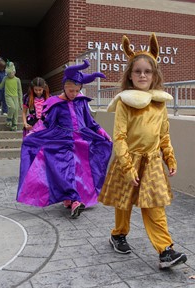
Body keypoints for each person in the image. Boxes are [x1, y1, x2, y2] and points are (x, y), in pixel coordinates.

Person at [98, 33, 187, 269]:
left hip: (153, 162)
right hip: (128, 160)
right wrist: (127, 167)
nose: (142, 75)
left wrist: (169, 156)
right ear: (130, 75)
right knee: (124, 203)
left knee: (154, 205)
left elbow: (164, 135)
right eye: (137, 71)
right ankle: (118, 234)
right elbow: (119, 137)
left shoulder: (160, 103)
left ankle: (165, 250)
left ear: (155, 75)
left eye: (147, 71)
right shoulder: (126, 103)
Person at [17, 60, 113, 218]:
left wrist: (103, 132)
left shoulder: (81, 102)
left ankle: (70, 198)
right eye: (71, 90)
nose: (74, 94)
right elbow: (46, 123)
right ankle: (75, 200)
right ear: (64, 87)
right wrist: (33, 133)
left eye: (77, 91)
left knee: (79, 170)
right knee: (66, 168)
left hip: (81, 140)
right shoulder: (55, 103)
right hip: (60, 141)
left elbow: (90, 122)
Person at [0, 61, 23, 131]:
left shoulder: (17, 80)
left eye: (12, 72)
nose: (11, 74)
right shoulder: (5, 78)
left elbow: (20, 91)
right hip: (8, 96)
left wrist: (20, 102)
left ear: (14, 71)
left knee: (16, 111)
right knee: (12, 108)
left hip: (16, 97)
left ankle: (14, 125)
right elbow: (0, 86)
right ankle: (9, 119)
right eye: (9, 73)